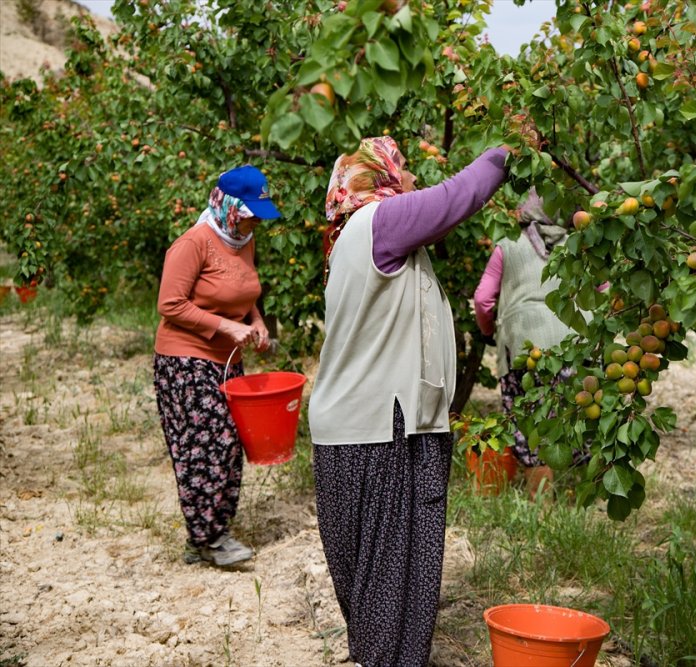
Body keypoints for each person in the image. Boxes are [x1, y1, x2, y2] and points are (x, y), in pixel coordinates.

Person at [308, 136, 509, 665]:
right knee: (387, 585)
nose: (414, 179)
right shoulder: (378, 223)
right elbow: (458, 196)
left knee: (384, 587)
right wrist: (509, 149)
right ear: (379, 176)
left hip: (371, 428)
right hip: (378, 431)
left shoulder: (357, 236)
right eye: (403, 170)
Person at [153, 165, 281, 567]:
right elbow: (169, 304)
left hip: (226, 359)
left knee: (230, 444)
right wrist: (226, 326)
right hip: (185, 360)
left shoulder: (243, 240)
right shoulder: (194, 243)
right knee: (209, 444)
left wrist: (256, 321)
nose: (255, 223)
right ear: (228, 208)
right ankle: (210, 538)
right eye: (250, 215)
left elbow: (243, 291)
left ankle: (205, 536)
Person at [473, 190, 584, 495]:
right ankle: (584, 493)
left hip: (524, 348)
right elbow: (604, 289)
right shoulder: (577, 246)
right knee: (571, 418)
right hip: (574, 347)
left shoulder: (507, 245)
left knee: (532, 425)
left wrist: (489, 331)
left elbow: (483, 299)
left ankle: (542, 503)